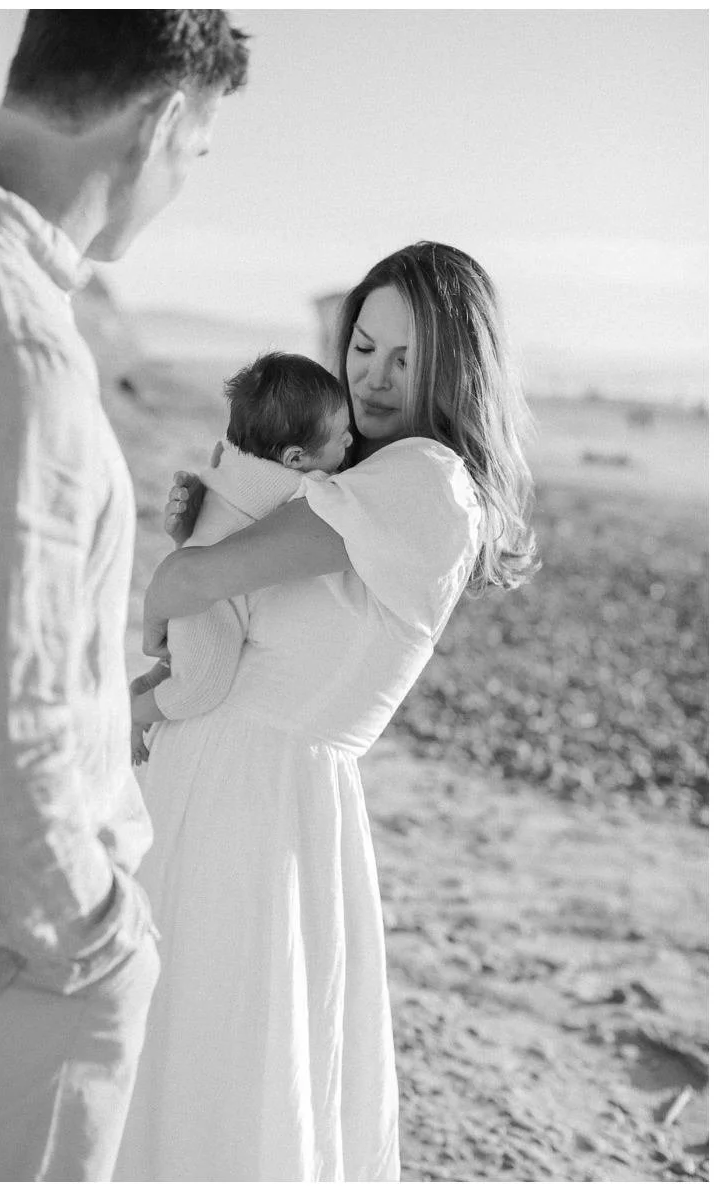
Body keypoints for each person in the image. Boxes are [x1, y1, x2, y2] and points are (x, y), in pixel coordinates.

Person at [125, 242, 538, 1181]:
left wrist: (164, 593)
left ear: (456, 366)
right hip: (238, 785)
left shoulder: (424, 481)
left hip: (255, 799)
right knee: (194, 1064)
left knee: (204, 1070)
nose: (375, 378)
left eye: (407, 357)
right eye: (363, 346)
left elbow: (195, 573)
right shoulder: (367, 483)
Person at [0, 10, 248, 1181]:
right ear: (159, 117)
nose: (179, 184)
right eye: (195, 151)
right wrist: (97, 944)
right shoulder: (12, 347)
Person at [128, 351, 353, 765]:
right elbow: (326, 505)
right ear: (294, 460)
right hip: (211, 602)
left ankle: (145, 687)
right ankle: (135, 712)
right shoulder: (292, 488)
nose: (350, 442)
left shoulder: (232, 459)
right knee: (201, 687)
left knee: (184, 660)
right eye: (341, 436)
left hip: (201, 581)